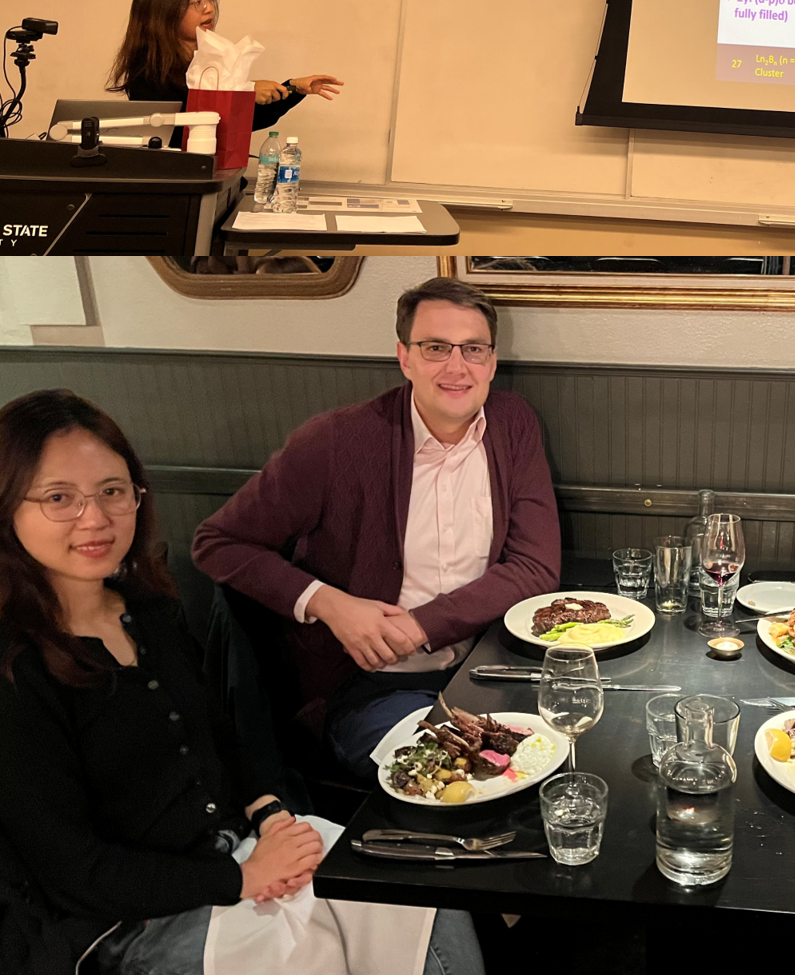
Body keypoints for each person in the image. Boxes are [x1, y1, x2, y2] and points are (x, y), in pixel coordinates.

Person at [0, 388, 483, 975]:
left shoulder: (148, 610)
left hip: (240, 847)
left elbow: (219, 736)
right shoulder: (16, 668)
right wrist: (241, 877)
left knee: (421, 891)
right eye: (59, 498)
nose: (95, 518)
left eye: (112, 491)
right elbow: (74, 872)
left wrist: (270, 812)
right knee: (311, 957)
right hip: (131, 919)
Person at [192, 275, 561, 780]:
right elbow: (217, 542)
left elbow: (534, 565)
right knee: (445, 779)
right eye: (436, 348)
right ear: (404, 357)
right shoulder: (336, 441)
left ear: (492, 362)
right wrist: (329, 603)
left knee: (557, 760)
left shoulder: (511, 422)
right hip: (372, 688)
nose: (457, 367)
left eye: (473, 349)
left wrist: (422, 624)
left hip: (490, 669)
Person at [107, 0, 343, 135]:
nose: (209, 8)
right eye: (197, 2)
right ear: (164, 12)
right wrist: (243, 94)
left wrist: (293, 88)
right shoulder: (147, 72)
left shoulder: (211, 59)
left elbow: (242, 121)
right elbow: (180, 131)